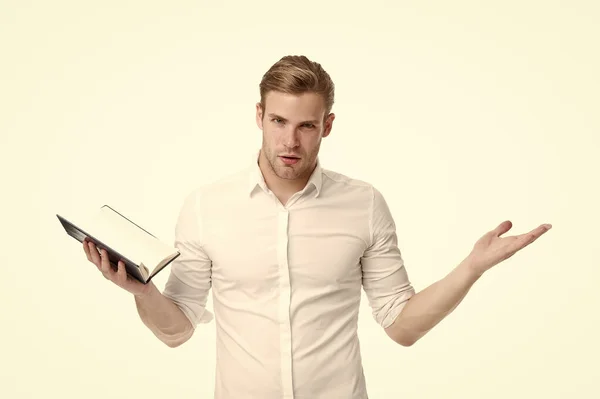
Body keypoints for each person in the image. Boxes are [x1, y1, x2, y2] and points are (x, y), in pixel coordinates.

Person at [83, 55, 552, 399]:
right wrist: (143, 292)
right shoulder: (207, 206)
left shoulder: (364, 204)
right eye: (278, 121)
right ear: (259, 117)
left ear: (327, 125)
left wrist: (472, 267)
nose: (290, 141)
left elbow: (401, 325)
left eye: (306, 125)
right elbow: (178, 327)